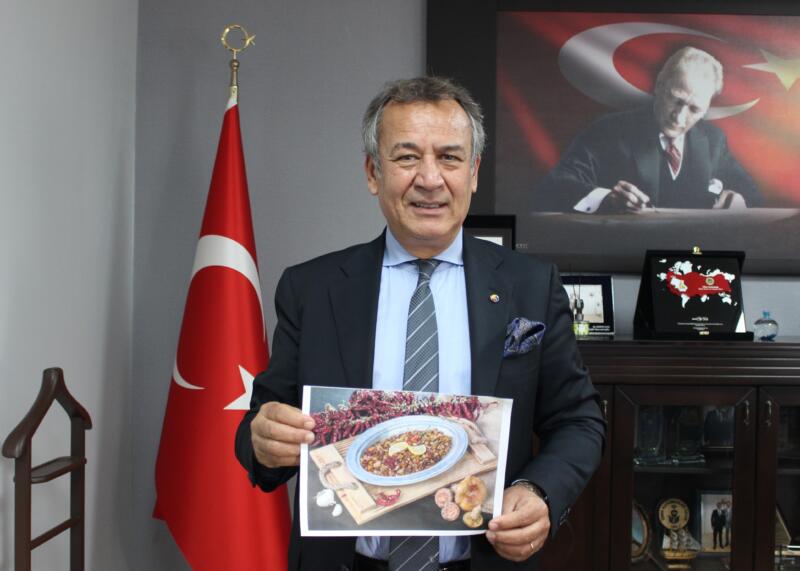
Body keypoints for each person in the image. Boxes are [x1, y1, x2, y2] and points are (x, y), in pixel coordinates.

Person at [235, 76, 605, 571]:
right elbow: (261, 424)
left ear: (473, 172)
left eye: (449, 158)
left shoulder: (530, 286)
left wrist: (539, 491)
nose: (430, 179)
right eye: (407, 157)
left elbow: (578, 420)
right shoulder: (312, 289)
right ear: (373, 172)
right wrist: (262, 441)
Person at [534, 47, 762, 214]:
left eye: (694, 109)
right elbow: (556, 185)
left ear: (706, 108)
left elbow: (752, 194)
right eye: (676, 100)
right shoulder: (609, 130)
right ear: (659, 85)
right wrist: (607, 198)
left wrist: (739, 201)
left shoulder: (713, 140)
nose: (679, 117)